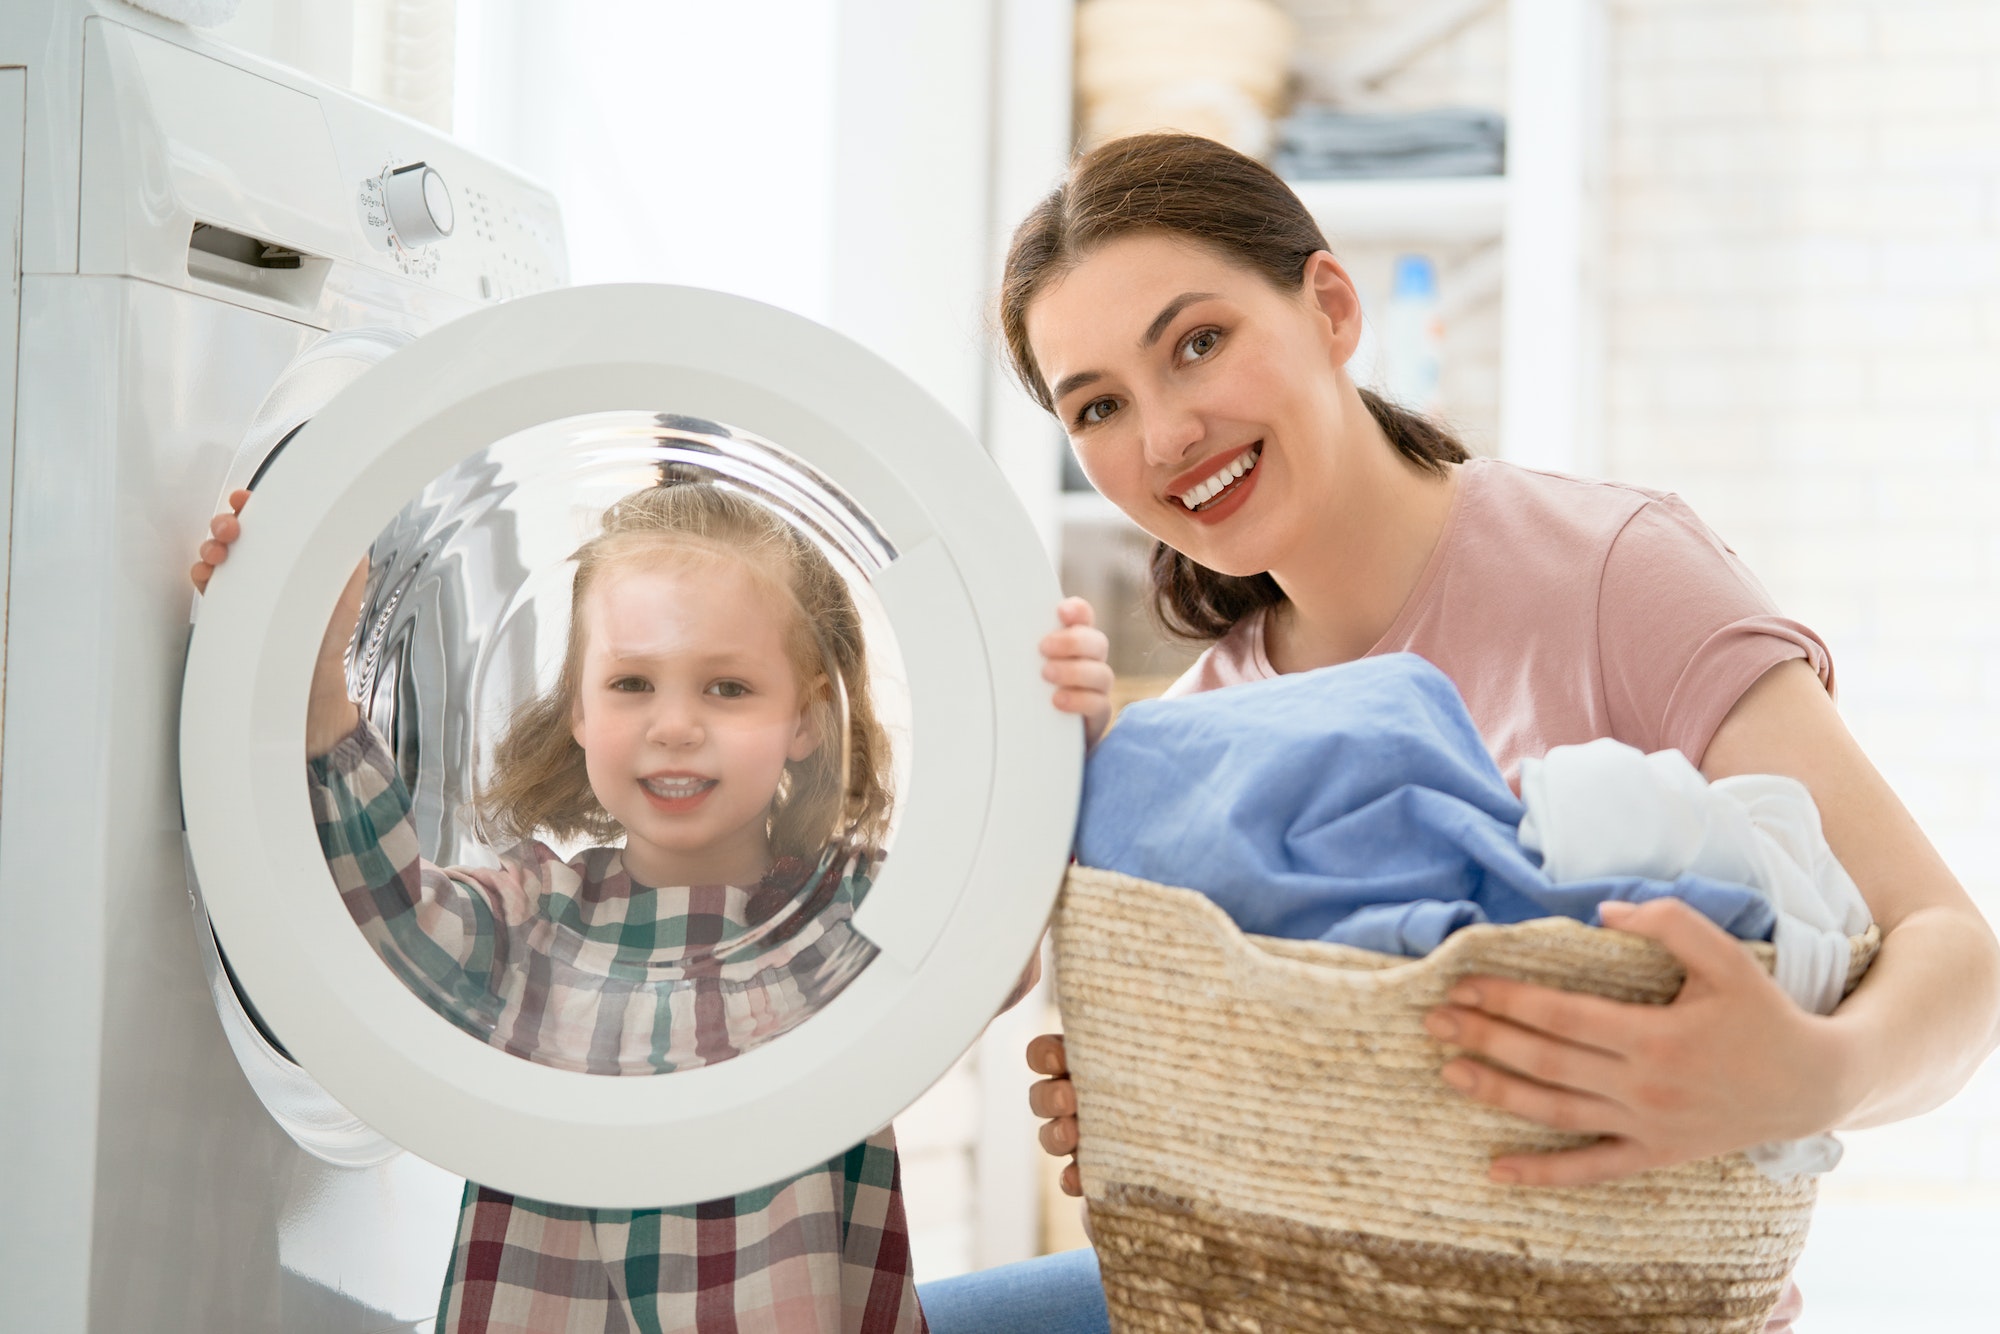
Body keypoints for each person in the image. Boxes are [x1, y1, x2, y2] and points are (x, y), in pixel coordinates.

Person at [924, 131, 2000, 1332]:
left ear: (1330, 306)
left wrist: (1810, 1072)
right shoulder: (1191, 746)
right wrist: (1156, 1096)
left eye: (1198, 342)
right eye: (1101, 405)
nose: (1166, 434)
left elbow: (1951, 948)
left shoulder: (1607, 572)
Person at [192, 480, 1110, 1334]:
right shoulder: (532, 919)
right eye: (633, 684)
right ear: (581, 713)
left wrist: (1062, 738)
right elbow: (385, 921)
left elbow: (996, 932)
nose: (675, 724)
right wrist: (305, 673)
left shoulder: (850, 917)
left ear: (806, 719)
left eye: (728, 686)